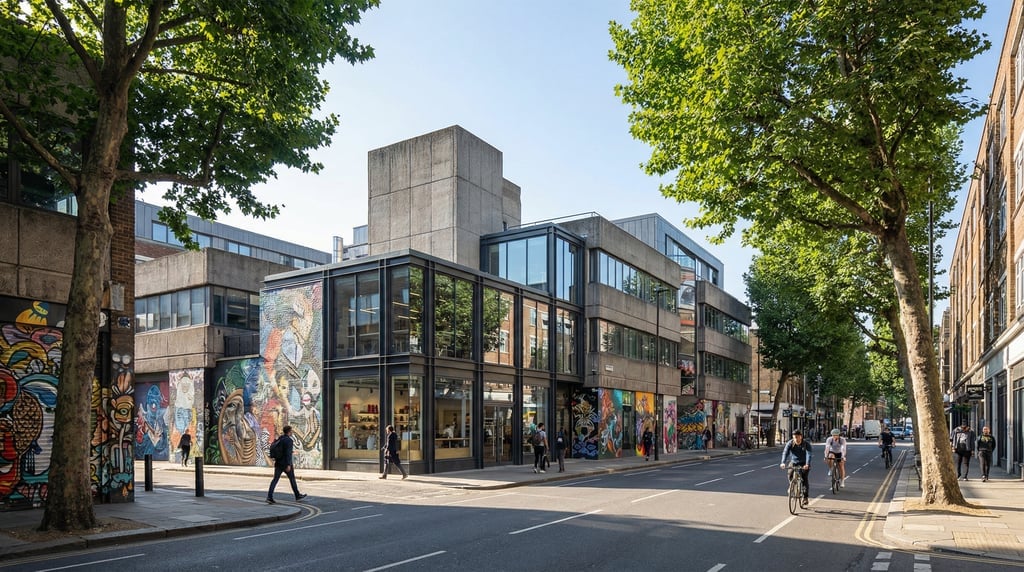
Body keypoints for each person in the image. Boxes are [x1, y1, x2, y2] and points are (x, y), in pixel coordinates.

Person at [267, 426, 307, 504]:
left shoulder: (280, 438)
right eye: (291, 431)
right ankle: (297, 495)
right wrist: (288, 464)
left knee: (275, 480)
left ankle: (269, 497)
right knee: (292, 479)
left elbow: (282, 450)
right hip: (286, 464)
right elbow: (287, 454)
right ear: (289, 431)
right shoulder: (289, 440)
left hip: (278, 463)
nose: (292, 432)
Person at [780, 429, 812, 506]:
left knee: (804, 478)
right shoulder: (790, 443)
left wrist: (807, 464)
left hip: (804, 463)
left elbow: (809, 454)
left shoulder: (806, 444)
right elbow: (785, 452)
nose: (796, 439)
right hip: (794, 462)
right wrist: (783, 462)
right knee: (790, 474)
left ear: (801, 437)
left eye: (797, 437)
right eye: (794, 437)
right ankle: (792, 485)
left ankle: (805, 497)